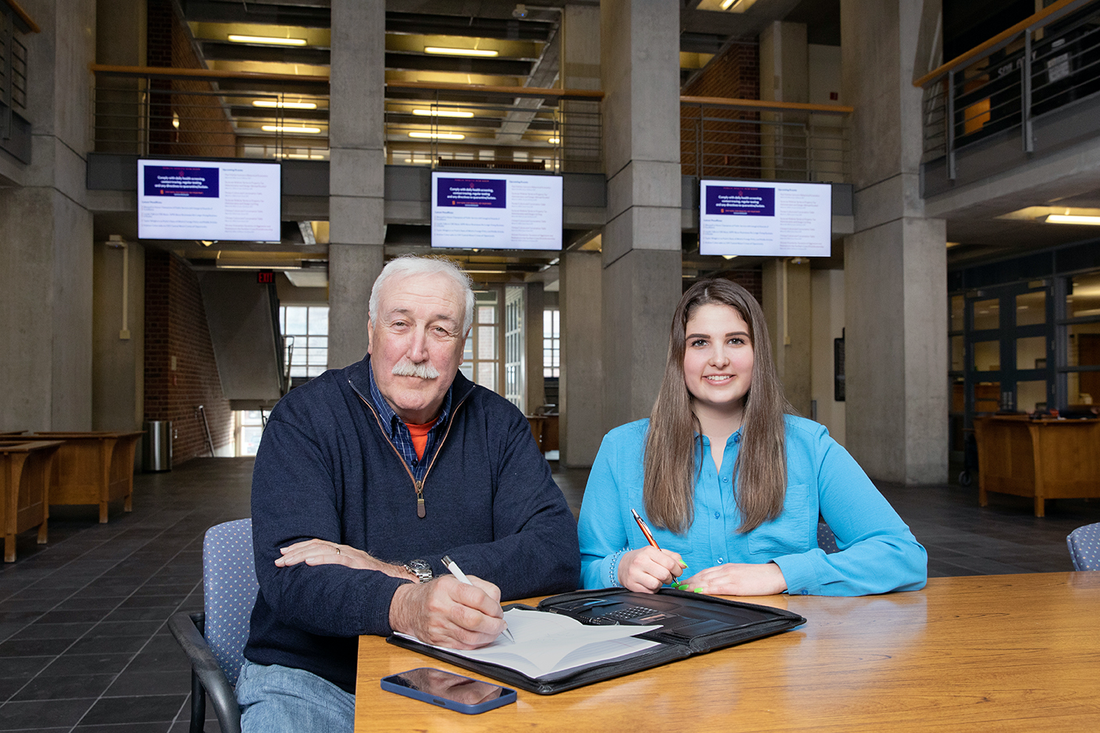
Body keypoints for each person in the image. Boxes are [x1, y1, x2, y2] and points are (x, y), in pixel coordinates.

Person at [238, 255, 580, 731]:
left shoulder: (499, 424)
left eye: (440, 330)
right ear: (372, 330)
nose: (416, 350)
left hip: (466, 674)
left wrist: (400, 573)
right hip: (320, 680)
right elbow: (295, 578)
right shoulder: (304, 419)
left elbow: (556, 552)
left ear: (462, 345)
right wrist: (407, 607)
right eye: (401, 324)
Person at [577, 278, 926, 597]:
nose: (719, 359)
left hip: (781, 653)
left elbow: (903, 556)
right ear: (679, 356)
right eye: (700, 343)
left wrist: (781, 575)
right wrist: (619, 568)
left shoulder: (809, 446)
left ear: (757, 352)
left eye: (735, 341)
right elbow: (581, 569)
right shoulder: (621, 449)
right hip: (667, 645)